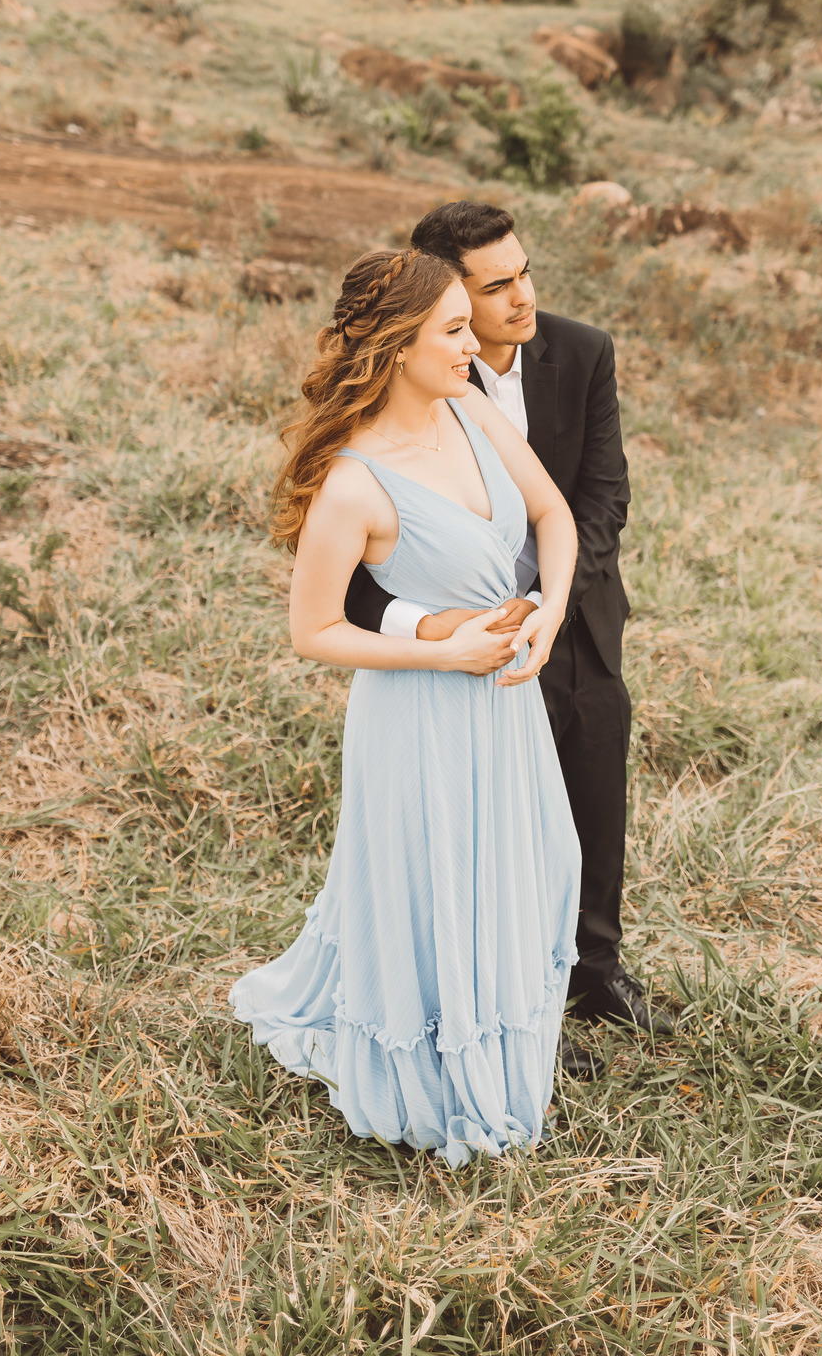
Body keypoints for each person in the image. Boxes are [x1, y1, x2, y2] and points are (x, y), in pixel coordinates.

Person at [230, 246, 583, 1165]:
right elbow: (313, 631)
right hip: (417, 718)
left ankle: (500, 1027)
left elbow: (554, 517)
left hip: (506, 704)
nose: (478, 344)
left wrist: (544, 617)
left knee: (521, 863)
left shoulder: (469, 410)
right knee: (437, 882)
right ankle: (432, 1060)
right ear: (395, 347)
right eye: (456, 330)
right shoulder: (354, 482)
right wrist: (441, 646)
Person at [346, 203, 672, 1064]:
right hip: (458, 642)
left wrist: (548, 600)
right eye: (496, 287)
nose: (523, 297)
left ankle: (594, 972)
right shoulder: (416, 393)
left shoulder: (583, 350)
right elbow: (352, 584)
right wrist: (444, 626)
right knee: (497, 824)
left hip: (578, 616)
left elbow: (602, 497)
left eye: (524, 272)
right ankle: (515, 997)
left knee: (594, 796)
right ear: (442, 297)